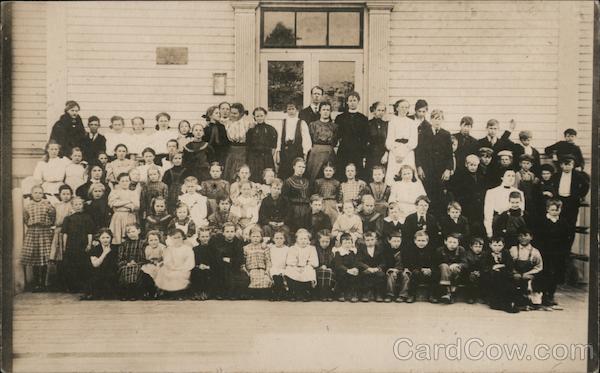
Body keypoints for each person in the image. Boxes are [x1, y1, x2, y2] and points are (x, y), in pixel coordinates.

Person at [414, 109, 453, 216]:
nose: (437, 121)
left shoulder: (446, 134)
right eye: (435, 118)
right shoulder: (423, 133)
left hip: (440, 172)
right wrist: (419, 167)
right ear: (431, 119)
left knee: (440, 197)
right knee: (428, 195)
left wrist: (448, 169)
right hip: (427, 170)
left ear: (442, 120)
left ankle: (438, 221)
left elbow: (450, 154)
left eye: (439, 119)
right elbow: (418, 152)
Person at [535, 199, 570, 310]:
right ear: (548, 209)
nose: (554, 212)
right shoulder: (542, 221)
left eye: (557, 210)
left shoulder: (563, 222)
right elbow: (539, 237)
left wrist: (564, 251)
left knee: (555, 273)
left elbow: (566, 238)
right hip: (546, 252)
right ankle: (543, 294)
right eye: (552, 210)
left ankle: (551, 294)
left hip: (557, 252)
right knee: (545, 272)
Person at [551, 155, 590, 250]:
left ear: (573, 165)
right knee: (559, 223)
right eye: (565, 164)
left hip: (572, 202)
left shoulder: (578, 175)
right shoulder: (557, 175)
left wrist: (580, 196)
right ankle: (558, 247)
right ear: (561, 165)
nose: (567, 167)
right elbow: (552, 186)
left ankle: (567, 248)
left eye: (570, 164)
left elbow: (586, 185)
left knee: (570, 226)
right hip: (560, 202)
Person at [21, 185, 56, 292]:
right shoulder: (28, 206)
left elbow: (52, 217)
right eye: (35, 193)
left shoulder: (47, 205)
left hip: (44, 232)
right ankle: (36, 283)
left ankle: (44, 283)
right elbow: (26, 219)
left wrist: (47, 225)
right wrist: (32, 225)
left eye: (40, 193)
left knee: (44, 258)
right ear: (32, 194)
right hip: (33, 232)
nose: (38, 195)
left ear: (43, 194)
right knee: (35, 257)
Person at [61, 197, 94, 293]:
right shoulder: (68, 219)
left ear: (82, 205)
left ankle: (83, 286)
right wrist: (64, 246)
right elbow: (65, 233)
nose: (78, 206)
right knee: (72, 265)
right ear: (72, 206)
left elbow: (90, 232)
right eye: (76, 204)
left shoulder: (87, 217)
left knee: (83, 265)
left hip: (83, 244)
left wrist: (89, 244)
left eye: (80, 204)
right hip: (71, 245)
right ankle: (73, 287)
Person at [449, 155, 486, 238]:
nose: (473, 167)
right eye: (471, 165)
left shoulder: (480, 175)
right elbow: (456, 191)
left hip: (478, 206)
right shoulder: (460, 176)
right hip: (466, 205)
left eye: (475, 165)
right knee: (468, 225)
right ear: (466, 164)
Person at [335, 92, 369, 180]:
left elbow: (365, 136)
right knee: (342, 170)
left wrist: (363, 151)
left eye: (354, 100)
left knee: (357, 171)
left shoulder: (363, 118)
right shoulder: (340, 118)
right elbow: (337, 135)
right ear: (347, 102)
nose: (352, 102)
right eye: (350, 100)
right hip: (344, 149)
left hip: (357, 150)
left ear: (358, 102)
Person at [211, 222, 249, 300]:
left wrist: (230, 260)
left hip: (234, 266)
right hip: (221, 266)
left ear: (235, 232)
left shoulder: (238, 243)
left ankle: (234, 293)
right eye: (227, 232)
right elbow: (217, 257)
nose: (230, 234)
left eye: (232, 232)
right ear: (223, 233)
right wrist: (224, 259)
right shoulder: (219, 242)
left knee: (240, 276)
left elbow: (240, 258)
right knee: (222, 273)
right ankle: (222, 293)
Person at [483, 168, 524, 238]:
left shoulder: (519, 192)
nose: (511, 178)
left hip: (515, 225)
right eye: (508, 176)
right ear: (502, 177)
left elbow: (521, 211)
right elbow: (488, 213)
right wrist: (489, 231)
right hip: (499, 223)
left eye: (513, 176)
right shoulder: (492, 192)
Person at [155, 228, 196, 298]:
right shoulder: (170, 249)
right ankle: (168, 293)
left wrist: (181, 268)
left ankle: (180, 293)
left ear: (183, 237)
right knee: (164, 273)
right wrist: (173, 268)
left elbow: (190, 262)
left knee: (179, 275)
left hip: (184, 269)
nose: (177, 240)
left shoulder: (187, 249)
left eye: (179, 237)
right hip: (172, 268)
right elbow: (167, 261)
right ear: (171, 238)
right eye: (175, 238)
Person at [385, 99, 418, 185]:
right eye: (402, 107)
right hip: (395, 152)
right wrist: (396, 153)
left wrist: (403, 153)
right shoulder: (392, 122)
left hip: (408, 152)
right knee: (394, 175)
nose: (404, 109)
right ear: (397, 108)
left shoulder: (412, 123)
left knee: (408, 174)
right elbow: (389, 140)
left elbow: (414, 141)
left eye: (406, 107)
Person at [276, 101, 312, 180]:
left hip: (297, 151)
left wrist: (305, 153)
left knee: (296, 171)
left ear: (296, 110)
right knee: (284, 172)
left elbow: (306, 140)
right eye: (289, 109)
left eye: (293, 109)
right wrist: (278, 153)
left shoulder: (301, 123)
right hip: (285, 152)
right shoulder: (282, 122)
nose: (291, 111)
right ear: (286, 110)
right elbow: (278, 139)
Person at [509, 228, 543, 310]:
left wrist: (529, 274)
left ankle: (533, 300)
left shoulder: (535, 252)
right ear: (517, 238)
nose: (523, 238)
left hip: (529, 275)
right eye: (520, 236)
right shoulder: (513, 249)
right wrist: (514, 272)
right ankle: (516, 300)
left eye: (525, 236)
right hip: (516, 274)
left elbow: (539, 266)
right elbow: (509, 264)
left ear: (531, 237)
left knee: (536, 282)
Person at [483, 236, 518, 313]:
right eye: (495, 245)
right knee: (495, 279)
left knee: (509, 283)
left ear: (503, 245)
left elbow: (510, 264)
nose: (497, 248)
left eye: (500, 245)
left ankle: (509, 302)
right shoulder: (487, 254)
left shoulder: (506, 253)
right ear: (490, 245)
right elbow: (484, 266)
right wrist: (492, 267)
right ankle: (497, 302)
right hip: (491, 276)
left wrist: (501, 266)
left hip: (504, 275)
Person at [306, 101, 338, 182]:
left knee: (328, 173)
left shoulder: (334, 126)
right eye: (323, 109)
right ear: (320, 111)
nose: (325, 112)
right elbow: (309, 139)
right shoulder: (313, 125)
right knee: (314, 175)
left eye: (328, 110)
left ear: (330, 112)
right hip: (315, 153)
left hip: (329, 153)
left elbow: (335, 141)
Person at [49, 185, 74, 289]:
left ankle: (69, 282)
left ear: (71, 195)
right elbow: (52, 218)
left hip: (69, 232)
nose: (66, 196)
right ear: (60, 195)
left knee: (67, 256)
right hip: (58, 232)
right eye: (63, 194)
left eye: (68, 194)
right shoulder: (56, 206)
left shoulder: (73, 205)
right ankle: (59, 283)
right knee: (58, 256)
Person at [284, 229, 319, 301]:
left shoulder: (311, 248)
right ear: (297, 240)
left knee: (309, 271)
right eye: (301, 239)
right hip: (295, 267)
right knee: (289, 270)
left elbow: (314, 261)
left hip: (306, 267)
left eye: (305, 239)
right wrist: (296, 267)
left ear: (308, 240)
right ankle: (293, 292)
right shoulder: (293, 248)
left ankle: (305, 293)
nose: (303, 241)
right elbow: (290, 260)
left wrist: (306, 266)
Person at [223, 103, 254, 182]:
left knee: (239, 170)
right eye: (231, 112)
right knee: (229, 170)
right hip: (231, 149)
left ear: (241, 114)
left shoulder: (247, 124)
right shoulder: (226, 123)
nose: (232, 115)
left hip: (242, 150)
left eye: (235, 113)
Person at [403, 230, 436, 303]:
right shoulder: (411, 250)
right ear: (415, 241)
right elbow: (410, 263)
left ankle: (432, 295)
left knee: (435, 273)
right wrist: (421, 269)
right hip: (417, 270)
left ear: (427, 241)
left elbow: (434, 262)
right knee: (415, 273)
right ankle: (412, 295)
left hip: (428, 271)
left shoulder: (431, 250)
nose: (421, 242)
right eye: (419, 240)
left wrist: (430, 269)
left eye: (423, 240)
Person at [85, 228, 118, 300]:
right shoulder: (95, 249)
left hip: (111, 274)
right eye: (103, 238)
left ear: (111, 238)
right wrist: (104, 253)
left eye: (107, 237)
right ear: (99, 239)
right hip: (98, 273)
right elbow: (95, 264)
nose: (105, 240)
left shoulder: (115, 248)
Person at [433, 233, 466, 304]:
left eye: (455, 242)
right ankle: (447, 292)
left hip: (455, 273)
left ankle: (448, 294)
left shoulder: (461, 250)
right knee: (444, 266)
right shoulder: (440, 250)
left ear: (458, 243)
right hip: (442, 272)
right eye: (450, 242)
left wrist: (457, 264)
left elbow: (465, 263)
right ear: (445, 242)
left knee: (455, 268)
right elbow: (435, 264)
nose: (452, 244)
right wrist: (448, 266)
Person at [246, 107, 278, 183]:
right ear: (254, 117)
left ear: (265, 116)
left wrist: (267, 156)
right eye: (257, 116)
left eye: (261, 116)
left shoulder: (270, 129)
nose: (259, 118)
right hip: (254, 158)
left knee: (267, 177)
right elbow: (248, 145)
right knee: (255, 178)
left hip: (266, 158)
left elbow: (273, 147)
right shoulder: (251, 130)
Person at [116, 224, 146, 301]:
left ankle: (133, 293)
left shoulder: (143, 243)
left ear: (138, 231)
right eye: (129, 232)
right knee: (124, 270)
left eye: (133, 231)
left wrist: (137, 263)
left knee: (136, 270)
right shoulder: (124, 244)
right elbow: (120, 258)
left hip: (139, 264)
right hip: (126, 264)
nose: (131, 234)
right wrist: (127, 263)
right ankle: (125, 293)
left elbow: (145, 257)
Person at [108, 172, 140, 245]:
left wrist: (121, 203)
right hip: (118, 217)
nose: (125, 183)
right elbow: (112, 203)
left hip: (130, 216)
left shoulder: (133, 193)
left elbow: (136, 206)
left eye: (127, 181)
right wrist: (128, 202)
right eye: (122, 181)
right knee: (118, 237)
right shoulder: (114, 192)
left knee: (129, 235)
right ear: (118, 182)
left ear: (130, 182)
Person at [282, 158, 312, 233]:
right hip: (293, 210)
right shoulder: (288, 181)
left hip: (306, 210)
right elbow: (285, 198)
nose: (301, 169)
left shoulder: (307, 181)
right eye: (299, 166)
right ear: (294, 167)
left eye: (303, 167)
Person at [356, 231, 386, 302]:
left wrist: (377, 268)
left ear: (376, 240)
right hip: (366, 268)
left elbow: (383, 262)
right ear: (364, 241)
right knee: (365, 274)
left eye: (372, 239)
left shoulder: (380, 249)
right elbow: (359, 261)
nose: (370, 242)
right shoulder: (361, 249)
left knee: (380, 275)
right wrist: (368, 268)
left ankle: (378, 294)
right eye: (367, 240)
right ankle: (365, 293)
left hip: (376, 268)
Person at [243, 227, 272, 299]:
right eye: (253, 236)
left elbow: (268, 260)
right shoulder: (246, 248)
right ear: (250, 237)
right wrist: (246, 271)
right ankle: (254, 294)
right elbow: (243, 261)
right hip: (251, 269)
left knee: (265, 279)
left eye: (258, 236)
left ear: (261, 237)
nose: (255, 238)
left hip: (262, 269)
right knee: (253, 278)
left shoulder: (265, 248)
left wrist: (267, 270)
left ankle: (263, 294)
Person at [333, 232, 360, 302]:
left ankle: (353, 293)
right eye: (345, 243)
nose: (347, 245)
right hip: (342, 270)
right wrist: (348, 270)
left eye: (349, 243)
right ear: (341, 244)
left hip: (351, 270)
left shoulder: (352, 252)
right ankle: (341, 293)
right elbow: (338, 265)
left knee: (355, 275)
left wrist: (355, 268)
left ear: (352, 243)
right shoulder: (338, 252)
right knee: (342, 275)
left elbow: (356, 262)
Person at [383, 232, 409, 303]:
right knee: (391, 275)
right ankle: (390, 294)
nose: (396, 243)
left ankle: (403, 295)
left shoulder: (404, 250)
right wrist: (390, 268)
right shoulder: (386, 250)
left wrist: (406, 268)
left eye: (398, 241)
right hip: (392, 269)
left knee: (406, 275)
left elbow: (408, 261)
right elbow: (384, 263)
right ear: (389, 241)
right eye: (394, 241)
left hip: (402, 269)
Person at [190, 228, 215, 300]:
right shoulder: (195, 249)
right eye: (203, 237)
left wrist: (208, 267)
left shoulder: (213, 249)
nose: (205, 239)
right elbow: (193, 261)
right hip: (199, 268)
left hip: (210, 269)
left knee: (207, 273)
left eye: (207, 236)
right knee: (196, 272)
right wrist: (198, 266)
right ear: (199, 238)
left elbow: (216, 261)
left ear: (209, 237)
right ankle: (197, 292)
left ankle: (206, 292)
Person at [140, 230, 165, 299]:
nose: (153, 242)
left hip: (160, 264)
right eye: (151, 240)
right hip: (150, 264)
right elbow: (147, 258)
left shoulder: (162, 247)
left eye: (156, 240)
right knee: (145, 271)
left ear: (159, 240)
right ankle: (149, 291)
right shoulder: (147, 248)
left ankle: (160, 291)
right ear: (147, 241)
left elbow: (165, 258)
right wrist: (150, 262)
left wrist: (159, 262)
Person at [365, 101, 389, 176]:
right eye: (379, 110)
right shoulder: (368, 124)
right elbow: (364, 141)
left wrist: (386, 154)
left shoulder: (387, 125)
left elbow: (389, 140)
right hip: (371, 155)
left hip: (383, 155)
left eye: (383, 110)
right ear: (374, 111)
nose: (381, 112)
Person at [463, 237, 486, 304]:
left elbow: (485, 265)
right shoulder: (467, 254)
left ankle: (482, 296)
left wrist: (480, 272)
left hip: (481, 272)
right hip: (469, 272)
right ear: (471, 246)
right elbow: (465, 264)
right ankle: (470, 296)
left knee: (485, 277)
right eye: (476, 246)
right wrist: (472, 271)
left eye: (480, 246)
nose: (478, 249)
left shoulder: (484, 254)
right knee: (470, 277)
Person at [268, 231, 289, 301]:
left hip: (284, 268)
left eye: (281, 238)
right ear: (273, 239)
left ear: (284, 239)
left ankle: (278, 293)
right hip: (273, 268)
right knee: (275, 276)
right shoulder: (271, 248)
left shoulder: (287, 249)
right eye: (276, 238)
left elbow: (288, 260)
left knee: (280, 276)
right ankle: (277, 293)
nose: (279, 240)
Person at [314, 230, 335, 301]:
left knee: (328, 272)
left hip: (329, 268)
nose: (325, 244)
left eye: (327, 242)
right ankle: (322, 294)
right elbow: (313, 260)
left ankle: (328, 292)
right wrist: (320, 266)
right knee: (322, 271)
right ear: (319, 241)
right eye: (322, 241)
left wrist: (329, 267)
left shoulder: (331, 249)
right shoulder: (315, 249)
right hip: (317, 267)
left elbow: (332, 261)